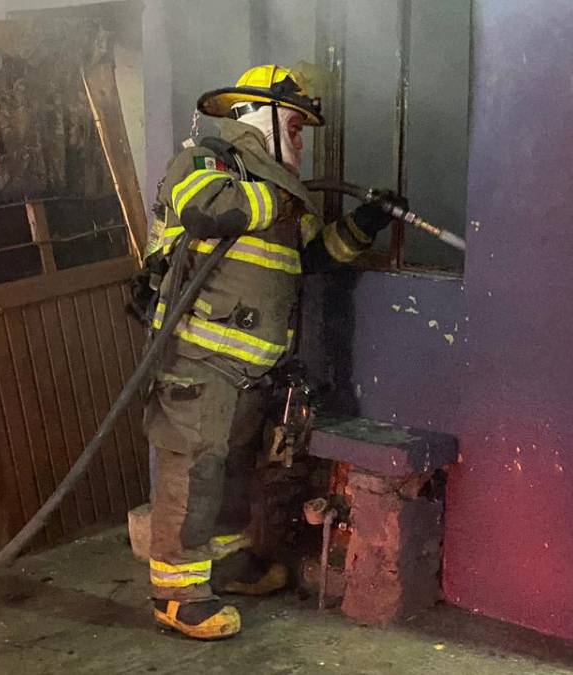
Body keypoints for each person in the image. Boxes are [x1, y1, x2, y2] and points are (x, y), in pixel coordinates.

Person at [142, 64, 399, 640]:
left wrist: (362, 225)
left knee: (232, 471)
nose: (302, 144)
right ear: (262, 117)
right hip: (198, 361)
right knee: (194, 472)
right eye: (296, 128)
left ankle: (229, 564)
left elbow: (310, 257)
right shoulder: (210, 160)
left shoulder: (277, 193)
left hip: (250, 371)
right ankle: (176, 596)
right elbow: (204, 207)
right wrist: (283, 203)